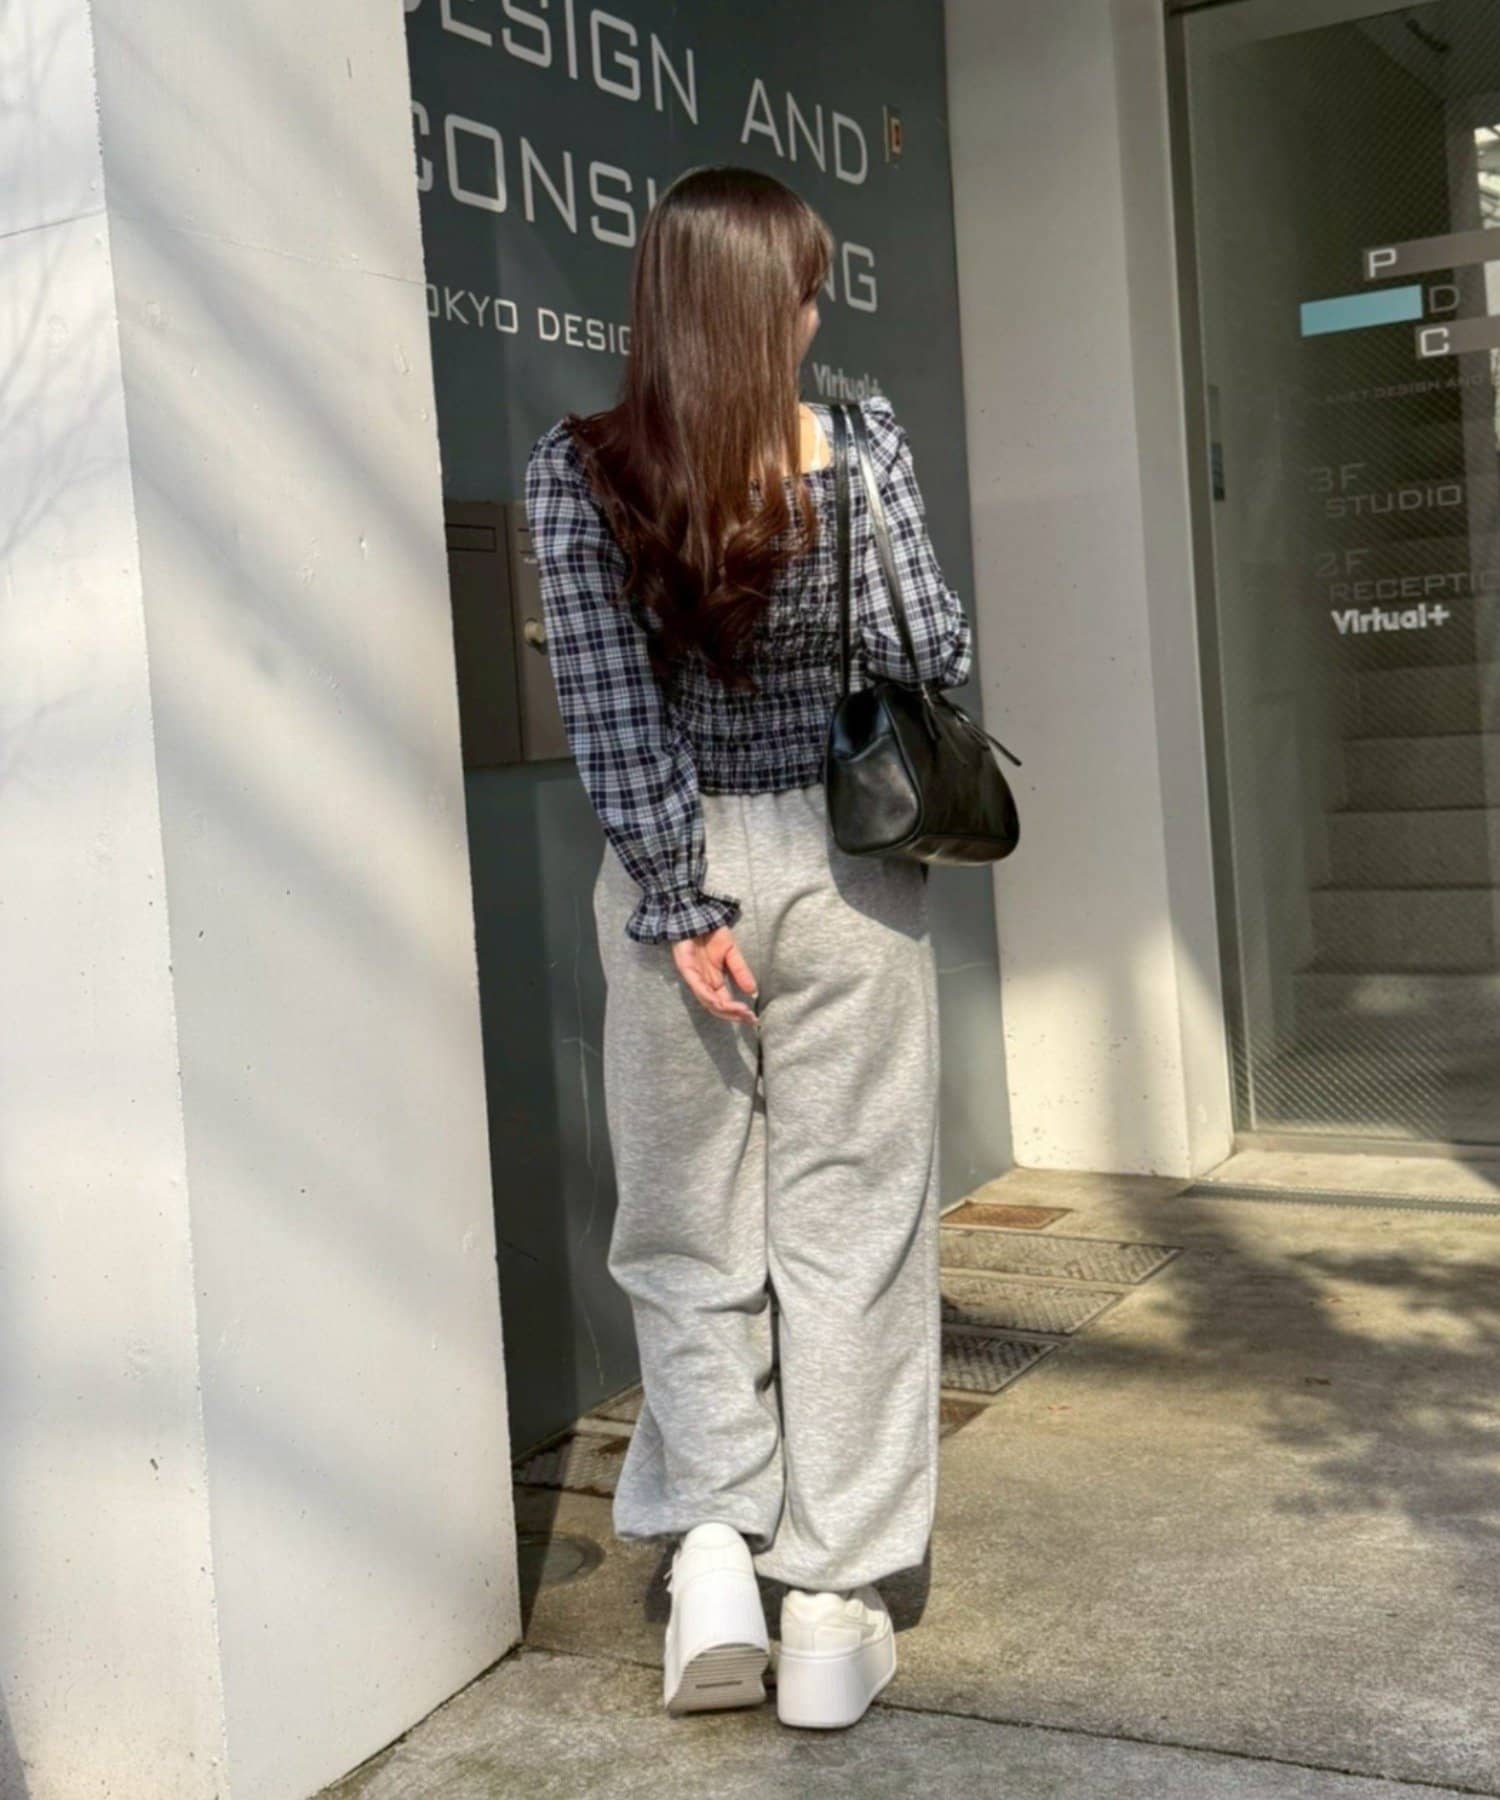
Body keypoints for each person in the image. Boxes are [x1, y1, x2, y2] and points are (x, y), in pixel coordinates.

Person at [523, 164, 973, 1731]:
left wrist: (677, 895)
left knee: (685, 1226)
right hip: (849, 872)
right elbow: (931, 650)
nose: (820, 316)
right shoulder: (858, 442)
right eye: (806, 291)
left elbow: (606, 711)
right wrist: (854, 475)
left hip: (677, 882)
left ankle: (713, 1556)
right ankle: (834, 1602)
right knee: (854, 1228)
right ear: (764, 306)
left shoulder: (578, 469)